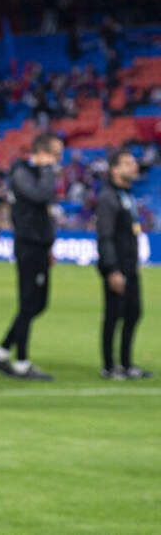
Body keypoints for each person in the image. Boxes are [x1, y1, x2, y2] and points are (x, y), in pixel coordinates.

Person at [0, 133, 63, 381]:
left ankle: (2, 351)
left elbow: (43, 209)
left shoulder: (34, 173)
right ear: (41, 153)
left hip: (39, 246)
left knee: (37, 304)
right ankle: (20, 362)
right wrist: (48, 170)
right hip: (28, 246)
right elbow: (42, 195)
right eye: (55, 154)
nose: (58, 159)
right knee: (30, 303)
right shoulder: (22, 172)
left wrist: (48, 246)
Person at [96, 150, 151, 380]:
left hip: (130, 265)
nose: (134, 166)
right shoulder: (108, 197)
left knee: (133, 313)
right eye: (127, 163)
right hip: (117, 266)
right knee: (114, 315)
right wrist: (112, 269)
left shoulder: (126, 195)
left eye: (133, 162)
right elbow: (105, 235)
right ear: (114, 170)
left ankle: (127, 364)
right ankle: (109, 366)